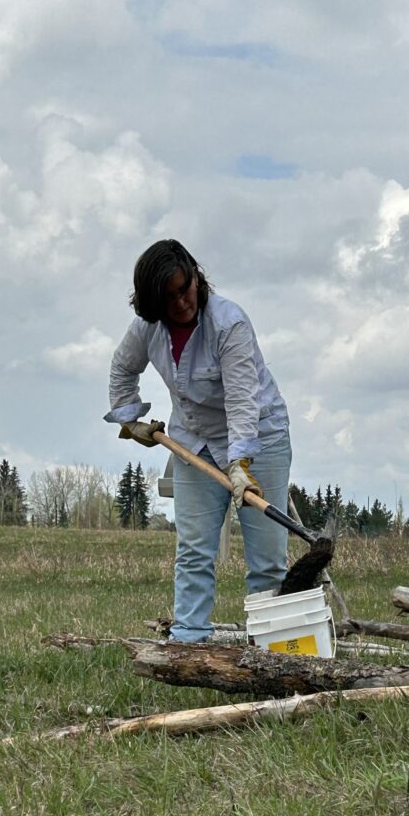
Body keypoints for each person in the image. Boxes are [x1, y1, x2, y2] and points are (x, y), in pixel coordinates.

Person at [106, 239, 292, 642]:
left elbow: (242, 400)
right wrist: (129, 417)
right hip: (194, 441)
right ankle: (188, 641)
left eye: (184, 289)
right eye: (168, 297)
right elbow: (122, 368)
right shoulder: (147, 329)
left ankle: (270, 648)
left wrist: (240, 464)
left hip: (259, 437)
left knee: (267, 561)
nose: (181, 303)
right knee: (193, 551)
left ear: (196, 277)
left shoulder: (229, 323)